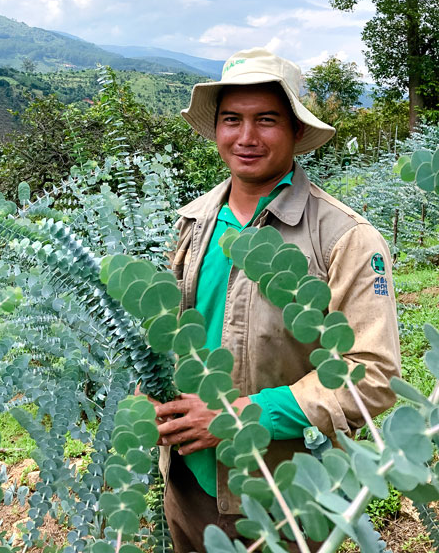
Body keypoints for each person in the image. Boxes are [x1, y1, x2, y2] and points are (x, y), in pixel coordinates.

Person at [154, 48, 401, 553]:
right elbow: (170, 335)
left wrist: (242, 417)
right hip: (186, 483)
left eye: (265, 120)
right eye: (232, 120)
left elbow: (372, 376)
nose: (245, 138)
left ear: (294, 131)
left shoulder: (343, 238)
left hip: (282, 496)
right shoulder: (193, 224)